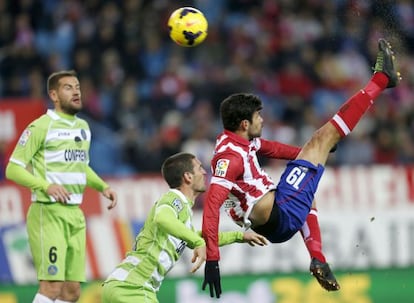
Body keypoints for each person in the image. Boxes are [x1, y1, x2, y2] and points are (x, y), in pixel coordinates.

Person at [201, 38, 401, 298]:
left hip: (275, 219)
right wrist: (213, 259)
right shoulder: (231, 157)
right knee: (323, 136)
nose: (262, 119)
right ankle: (382, 80)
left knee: (309, 186)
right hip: (279, 212)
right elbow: (212, 203)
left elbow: (270, 148)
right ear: (244, 124)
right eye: (258, 116)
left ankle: (318, 257)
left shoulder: (234, 139)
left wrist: (307, 153)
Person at [5, 70, 118, 303]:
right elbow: (13, 168)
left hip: (75, 215)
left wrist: (102, 186)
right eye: (68, 87)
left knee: (72, 292)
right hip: (48, 212)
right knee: (51, 287)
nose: (76, 90)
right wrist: (45, 186)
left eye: (77, 86)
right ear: (54, 95)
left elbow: (81, 166)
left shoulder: (83, 127)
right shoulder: (41, 127)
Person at [101, 152, 268, 303]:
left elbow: (198, 237)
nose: (204, 172)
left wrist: (239, 237)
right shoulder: (175, 198)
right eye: (199, 168)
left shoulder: (183, 210)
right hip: (133, 288)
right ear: (188, 176)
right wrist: (197, 242)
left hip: (124, 285)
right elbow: (162, 217)